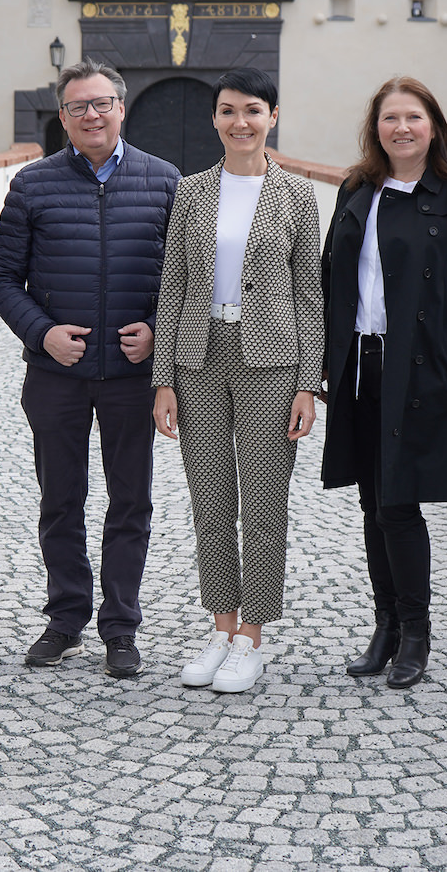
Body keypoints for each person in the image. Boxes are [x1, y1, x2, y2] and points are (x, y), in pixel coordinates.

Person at [0, 58, 180, 679]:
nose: (91, 115)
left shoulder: (165, 181)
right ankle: (66, 618)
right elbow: (1, 277)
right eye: (77, 107)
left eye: (102, 104)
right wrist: (42, 335)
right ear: (62, 116)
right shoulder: (33, 184)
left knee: (131, 503)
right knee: (60, 501)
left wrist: (157, 332)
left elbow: (183, 283)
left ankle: (120, 627)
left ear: (122, 109)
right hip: (55, 376)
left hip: (130, 376)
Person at [151, 68, 324, 693]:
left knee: (264, 500)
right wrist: (162, 379)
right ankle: (221, 625)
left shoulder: (297, 197)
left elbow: (310, 298)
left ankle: (254, 635)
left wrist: (309, 382)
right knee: (212, 500)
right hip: (199, 358)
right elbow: (172, 288)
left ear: (272, 116)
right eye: (227, 111)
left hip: (271, 362)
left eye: (252, 110)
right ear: (215, 119)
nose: (240, 122)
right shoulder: (192, 193)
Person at [320, 77, 447, 689]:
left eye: (413, 117)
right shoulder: (357, 188)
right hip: (359, 364)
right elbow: (331, 276)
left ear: (433, 125)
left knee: (398, 502)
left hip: (416, 366)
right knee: (373, 502)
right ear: (376, 128)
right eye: (390, 118)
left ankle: (414, 632)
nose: (402, 128)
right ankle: (386, 626)